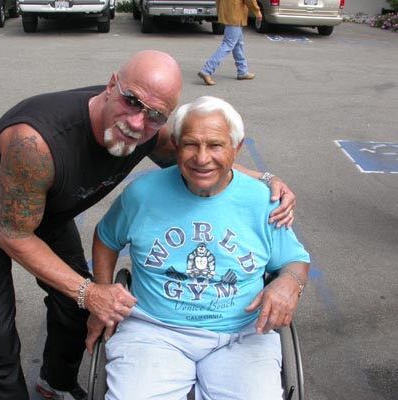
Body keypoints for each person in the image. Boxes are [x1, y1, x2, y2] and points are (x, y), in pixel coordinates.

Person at [0, 51, 296, 400]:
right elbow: (15, 234)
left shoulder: (147, 130)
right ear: (112, 85)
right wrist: (91, 290)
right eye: (132, 101)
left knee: (73, 305)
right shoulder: (34, 142)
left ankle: (56, 382)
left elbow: (203, 163)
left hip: (51, 209)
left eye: (157, 115)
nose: (138, 122)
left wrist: (266, 179)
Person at [86, 96, 310, 400]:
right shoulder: (142, 194)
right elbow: (106, 238)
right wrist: (101, 293)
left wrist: (289, 283)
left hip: (242, 334)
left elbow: (295, 260)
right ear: (175, 145)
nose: (202, 159)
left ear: (237, 147)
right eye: (191, 144)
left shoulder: (262, 202)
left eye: (216, 145)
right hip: (154, 332)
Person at [198, 0, 262, 85]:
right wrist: (257, 11)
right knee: (228, 44)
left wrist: (220, 11)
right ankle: (206, 70)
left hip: (229, 13)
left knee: (238, 44)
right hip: (236, 14)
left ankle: (242, 71)